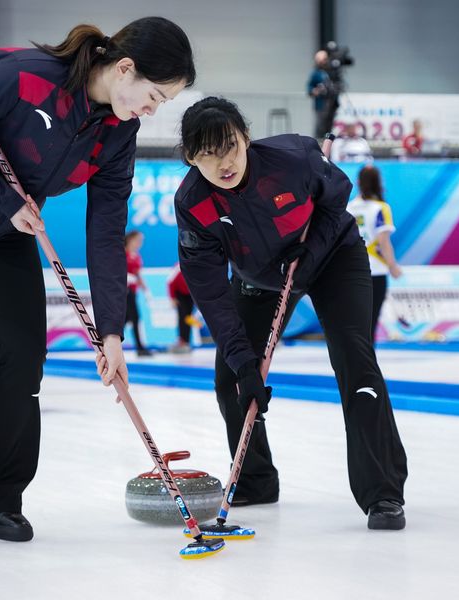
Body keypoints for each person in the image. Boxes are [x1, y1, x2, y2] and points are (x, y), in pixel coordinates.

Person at [0, 17, 194, 548]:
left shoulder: (120, 131)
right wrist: (7, 201)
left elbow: (106, 228)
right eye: (154, 95)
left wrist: (111, 333)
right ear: (125, 68)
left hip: (1, 227)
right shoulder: (24, 77)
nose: (152, 109)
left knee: (26, 350)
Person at [175, 97, 408, 530]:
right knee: (231, 378)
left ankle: (383, 493)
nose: (222, 162)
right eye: (206, 154)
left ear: (246, 138)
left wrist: (312, 247)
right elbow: (209, 292)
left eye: (229, 146)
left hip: (333, 258)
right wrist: (246, 364)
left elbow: (337, 198)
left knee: (356, 362)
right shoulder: (194, 203)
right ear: (190, 158)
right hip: (260, 279)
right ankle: (256, 480)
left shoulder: (294, 157)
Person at [347, 165, 403, 342]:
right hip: (375, 271)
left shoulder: (348, 208)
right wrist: (393, 266)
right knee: (370, 323)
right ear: (379, 183)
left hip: (352, 270)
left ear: (358, 182)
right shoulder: (381, 208)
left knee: (354, 322)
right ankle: (367, 364)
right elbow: (383, 242)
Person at [124, 230, 152, 357]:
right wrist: (127, 277)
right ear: (130, 239)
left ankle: (109, 344)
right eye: (138, 240)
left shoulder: (136, 256)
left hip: (133, 292)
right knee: (134, 318)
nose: (140, 243)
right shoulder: (122, 253)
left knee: (127, 319)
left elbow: (138, 275)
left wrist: (146, 290)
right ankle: (140, 347)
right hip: (124, 292)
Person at [307, 50, 336, 138]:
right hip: (321, 104)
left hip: (332, 103)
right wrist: (314, 91)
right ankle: (319, 143)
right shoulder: (316, 73)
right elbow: (309, 87)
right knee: (320, 125)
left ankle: (329, 142)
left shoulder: (331, 72)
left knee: (330, 125)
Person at [167, 262, 194, 354]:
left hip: (190, 294)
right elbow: (169, 281)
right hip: (180, 294)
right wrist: (172, 297)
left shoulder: (196, 265)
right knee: (182, 317)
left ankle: (186, 341)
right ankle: (181, 340)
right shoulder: (178, 267)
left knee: (188, 318)